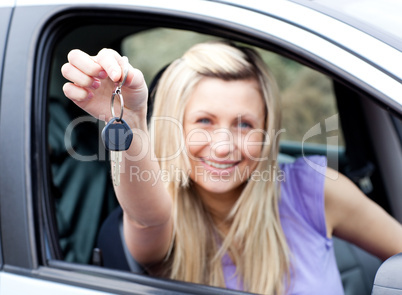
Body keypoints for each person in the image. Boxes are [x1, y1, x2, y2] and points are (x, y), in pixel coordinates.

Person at [61, 41, 402, 294]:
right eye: (204, 121)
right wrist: (130, 120)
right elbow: (144, 217)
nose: (224, 146)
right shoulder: (162, 212)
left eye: (244, 125)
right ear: (174, 125)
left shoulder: (315, 188)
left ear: (267, 132)